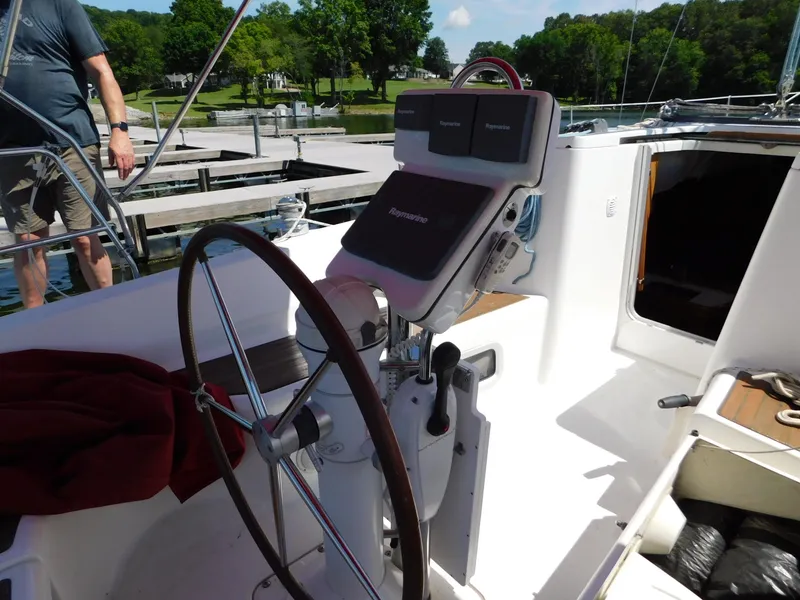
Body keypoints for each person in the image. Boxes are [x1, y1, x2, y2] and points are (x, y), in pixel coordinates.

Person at [0, 0, 136, 309]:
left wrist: (120, 131)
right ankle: (37, 328)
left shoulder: (59, 5)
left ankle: (111, 313)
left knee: (85, 237)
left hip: (73, 143)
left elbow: (102, 71)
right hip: (12, 150)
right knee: (27, 243)